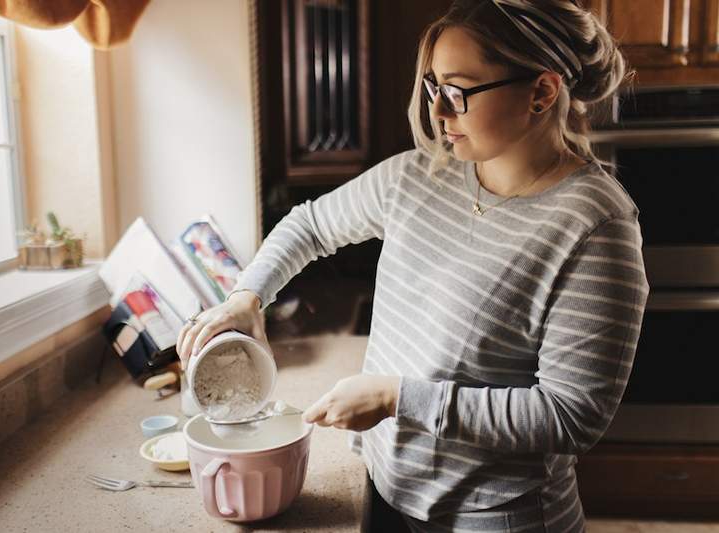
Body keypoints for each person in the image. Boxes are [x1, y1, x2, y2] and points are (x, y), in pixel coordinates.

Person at [176, 1, 650, 531]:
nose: (439, 112)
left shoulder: (595, 225)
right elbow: (308, 226)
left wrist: (396, 397)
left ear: (541, 92)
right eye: (432, 88)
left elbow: (568, 416)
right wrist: (247, 298)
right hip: (386, 492)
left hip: (496, 518)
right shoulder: (418, 177)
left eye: (458, 90)